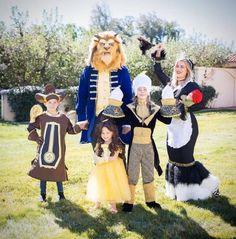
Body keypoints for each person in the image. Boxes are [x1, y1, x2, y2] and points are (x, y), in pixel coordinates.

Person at [151, 43, 219, 201]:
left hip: (186, 126)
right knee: (174, 158)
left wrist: (185, 106)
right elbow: (158, 71)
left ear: (187, 70)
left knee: (186, 160)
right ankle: (177, 191)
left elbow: (200, 103)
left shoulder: (192, 85)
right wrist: (158, 57)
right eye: (176, 66)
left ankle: (208, 186)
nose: (178, 68)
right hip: (173, 126)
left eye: (182, 66)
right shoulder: (172, 85)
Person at [122, 73, 172, 212]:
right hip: (134, 146)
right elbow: (119, 119)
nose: (142, 91)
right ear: (136, 91)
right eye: (139, 89)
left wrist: (169, 103)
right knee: (132, 172)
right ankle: (128, 201)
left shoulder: (155, 108)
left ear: (148, 91)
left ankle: (150, 200)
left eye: (144, 89)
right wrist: (125, 126)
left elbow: (168, 120)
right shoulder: (128, 108)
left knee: (148, 172)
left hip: (149, 146)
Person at [76, 31, 132, 147]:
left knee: (118, 152)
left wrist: (127, 122)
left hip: (117, 118)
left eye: (111, 44)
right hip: (95, 117)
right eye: (103, 44)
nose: (106, 47)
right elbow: (81, 97)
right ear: (96, 48)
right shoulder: (88, 71)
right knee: (97, 151)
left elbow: (128, 98)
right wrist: (81, 118)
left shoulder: (123, 71)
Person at [27, 84, 81, 202]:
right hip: (43, 149)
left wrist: (80, 127)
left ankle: (61, 194)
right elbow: (30, 127)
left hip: (59, 150)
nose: (52, 104)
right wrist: (36, 138)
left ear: (58, 103)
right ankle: (42, 194)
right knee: (43, 170)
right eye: (49, 102)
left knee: (58, 170)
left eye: (54, 102)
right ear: (45, 103)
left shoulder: (63, 118)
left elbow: (71, 130)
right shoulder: (41, 117)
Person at [86, 120, 131, 214]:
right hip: (101, 169)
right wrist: (97, 159)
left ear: (113, 133)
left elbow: (114, 158)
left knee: (112, 184)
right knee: (100, 183)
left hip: (113, 168)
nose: (105, 135)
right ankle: (97, 204)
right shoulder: (99, 143)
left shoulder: (116, 144)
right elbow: (96, 155)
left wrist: (103, 160)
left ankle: (113, 206)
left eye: (107, 133)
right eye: (103, 133)